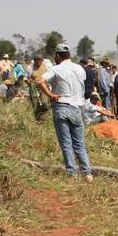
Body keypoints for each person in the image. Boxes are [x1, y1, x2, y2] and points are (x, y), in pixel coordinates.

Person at [36, 43, 93, 182]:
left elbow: (40, 81)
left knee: (66, 143)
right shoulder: (80, 69)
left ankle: (72, 173)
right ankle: (87, 173)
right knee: (79, 143)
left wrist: (50, 94)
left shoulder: (56, 69)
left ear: (57, 55)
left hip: (61, 106)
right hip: (77, 109)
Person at [28, 54, 50, 121]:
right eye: (37, 61)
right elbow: (27, 78)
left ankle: (43, 116)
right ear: (34, 61)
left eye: (40, 61)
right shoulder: (30, 68)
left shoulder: (46, 67)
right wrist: (29, 81)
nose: (39, 63)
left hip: (44, 88)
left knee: (44, 103)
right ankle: (38, 119)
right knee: (35, 105)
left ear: (42, 61)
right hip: (34, 89)